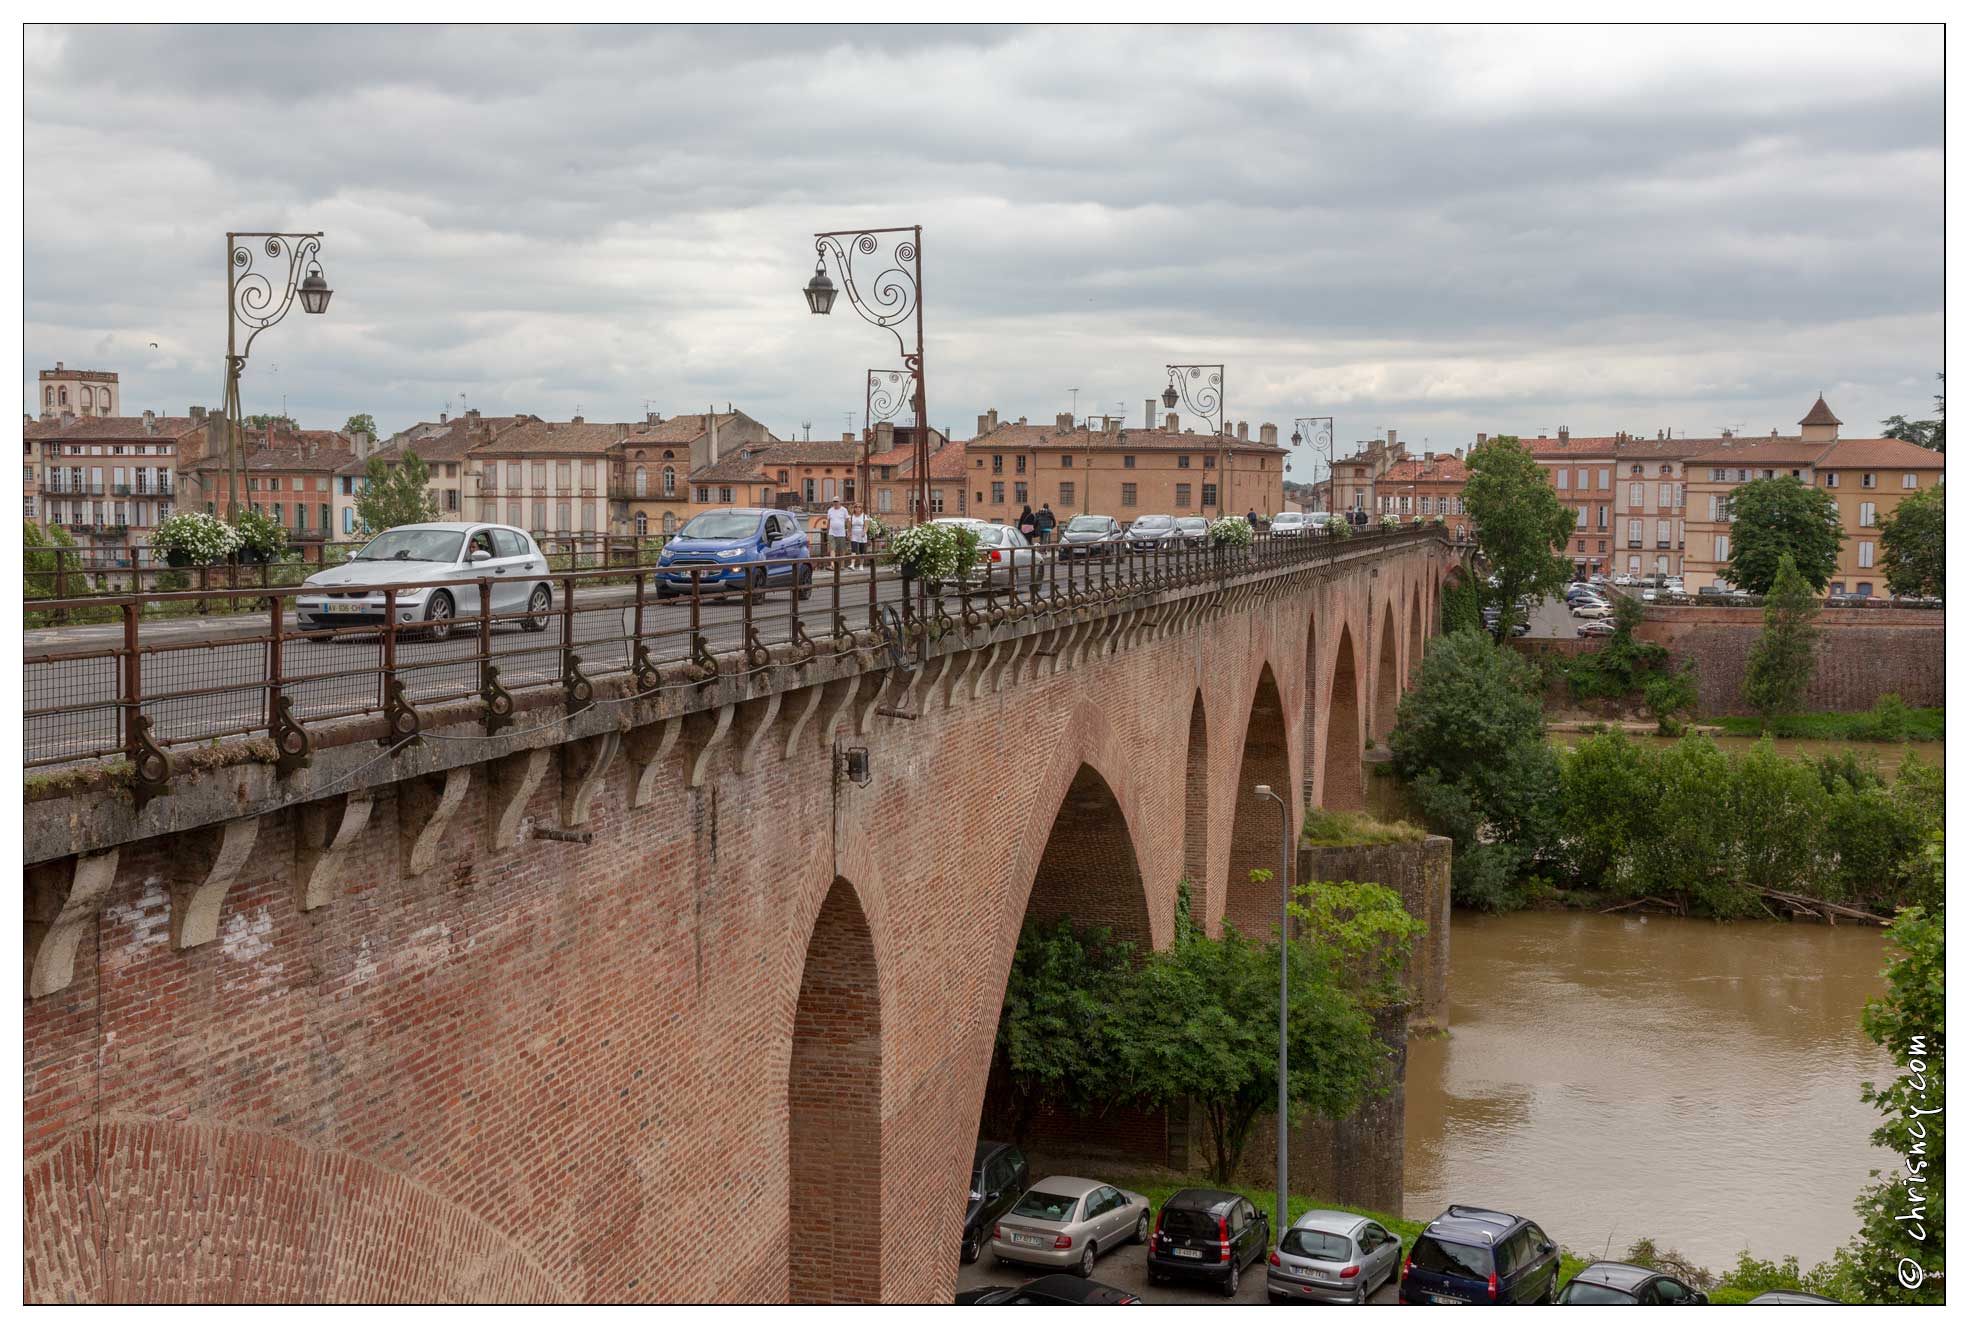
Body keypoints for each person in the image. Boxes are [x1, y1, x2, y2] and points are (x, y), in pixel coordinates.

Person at [825, 497, 850, 565]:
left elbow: (848, 521)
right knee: (832, 548)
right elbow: (829, 522)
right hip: (832, 532)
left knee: (842, 549)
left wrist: (848, 531)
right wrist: (827, 531)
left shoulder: (844, 510)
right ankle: (832, 564)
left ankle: (842, 564)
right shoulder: (830, 510)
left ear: (839, 502)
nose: (835, 503)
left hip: (841, 533)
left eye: (836, 501)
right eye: (834, 501)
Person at [848, 503, 870, 569]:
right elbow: (849, 527)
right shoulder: (851, 516)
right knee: (853, 549)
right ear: (854, 508)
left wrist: (864, 532)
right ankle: (852, 564)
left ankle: (861, 565)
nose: (857, 508)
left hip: (861, 534)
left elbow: (866, 526)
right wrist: (849, 533)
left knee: (861, 550)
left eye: (859, 507)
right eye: (856, 507)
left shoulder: (864, 516)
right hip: (854, 534)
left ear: (861, 508)